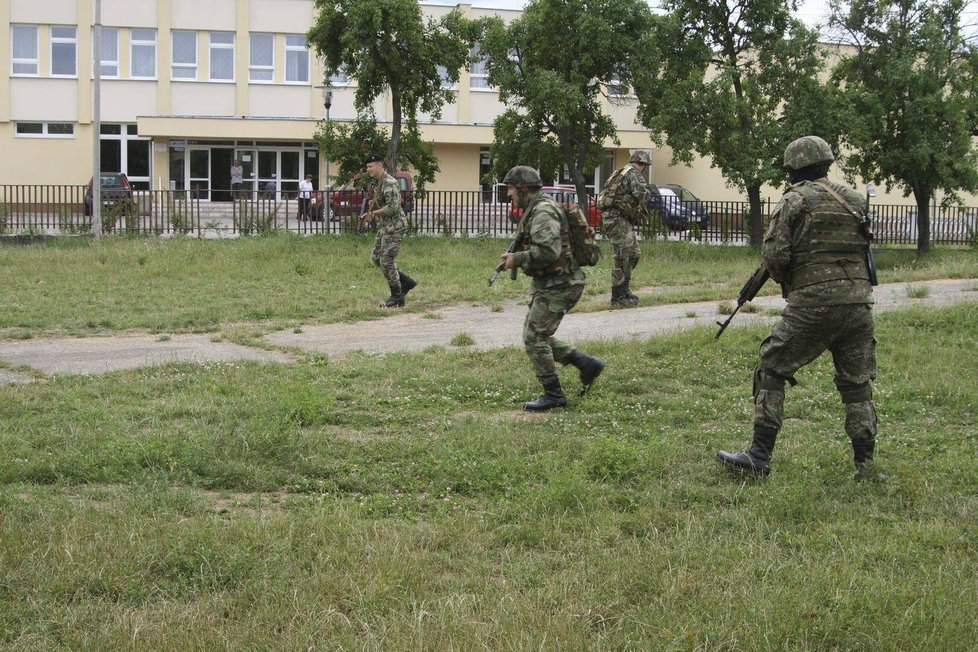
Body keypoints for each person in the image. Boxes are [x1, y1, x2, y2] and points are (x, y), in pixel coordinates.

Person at [716, 135, 879, 479]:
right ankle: (865, 465)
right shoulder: (853, 199)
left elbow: (775, 257)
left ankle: (759, 457)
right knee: (856, 382)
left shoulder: (794, 200)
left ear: (793, 168)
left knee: (771, 366)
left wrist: (793, 279)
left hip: (814, 303)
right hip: (859, 301)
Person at [500, 165, 605, 411]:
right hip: (551, 283)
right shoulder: (537, 208)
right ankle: (585, 363)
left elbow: (549, 252)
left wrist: (517, 259)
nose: (509, 195)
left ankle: (554, 394)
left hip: (561, 284)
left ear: (524, 189)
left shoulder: (543, 212)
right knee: (536, 334)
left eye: (511, 189)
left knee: (534, 338)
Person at [596, 150, 656, 307]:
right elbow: (642, 194)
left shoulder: (620, 171)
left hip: (618, 218)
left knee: (633, 253)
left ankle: (624, 289)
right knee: (623, 255)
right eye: (645, 165)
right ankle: (617, 296)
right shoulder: (633, 173)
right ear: (642, 164)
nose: (644, 169)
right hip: (616, 218)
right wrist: (650, 192)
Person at [360, 154, 418, 308]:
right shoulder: (378, 182)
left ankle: (397, 296)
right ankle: (406, 282)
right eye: (367, 167)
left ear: (380, 165)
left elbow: (393, 207)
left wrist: (373, 214)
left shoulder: (390, 183)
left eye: (370, 166)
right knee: (376, 258)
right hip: (385, 227)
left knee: (386, 260)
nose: (368, 170)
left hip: (395, 227)